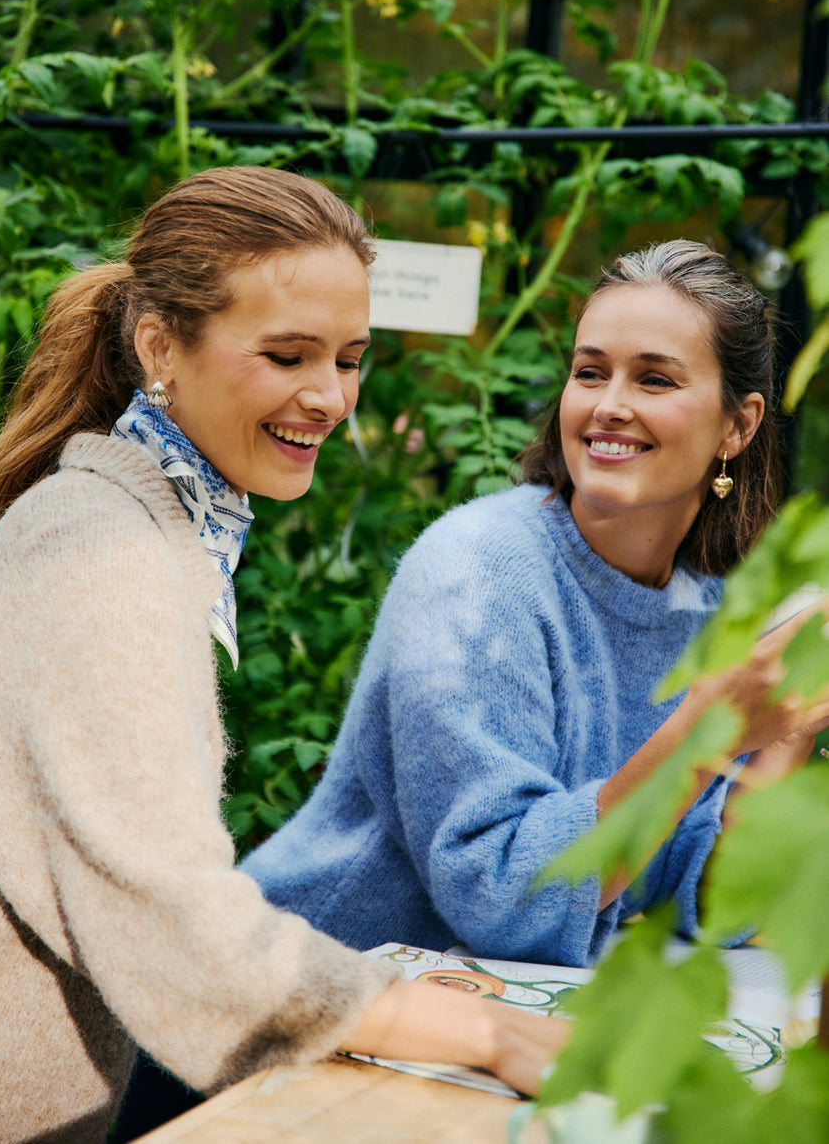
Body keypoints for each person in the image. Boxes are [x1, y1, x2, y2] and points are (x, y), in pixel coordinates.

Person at [0, 166, 567, 1144]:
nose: (330, 396)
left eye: (351, 358)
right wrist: (479, 1027)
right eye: (286, 354)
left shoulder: (135, 519)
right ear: (158, 346)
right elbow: (180, 931)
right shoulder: (105, 553)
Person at [243, 239, 829, 968]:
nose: (610, 406)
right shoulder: (477, 571)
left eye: (654, 380)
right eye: (590, 372)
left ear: (737, 426)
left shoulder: (710, 605)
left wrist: (786, 723)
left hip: (477, 1029)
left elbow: (712, 902)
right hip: (296, 997)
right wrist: (710, 728)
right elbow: (504, 899)